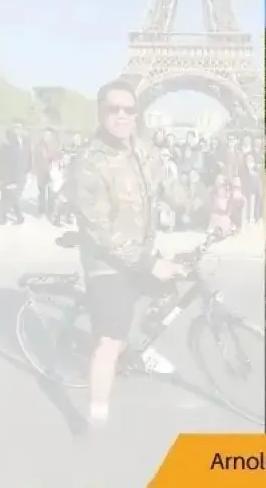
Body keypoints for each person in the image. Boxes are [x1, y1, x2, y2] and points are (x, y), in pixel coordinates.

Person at [69, 79, 188, 429]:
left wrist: (207, 208)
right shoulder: (88, 162)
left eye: (128, 109)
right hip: (107, 264)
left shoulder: (142, 149)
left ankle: (136, 348)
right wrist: (149, 263)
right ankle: (95, 423)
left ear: (137, 114)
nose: (121, 116)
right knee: (109, 341)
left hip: (141, 252)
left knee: (172, 291)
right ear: (100, 112)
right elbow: (100, 230)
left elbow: (169, 187)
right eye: (113, 109)